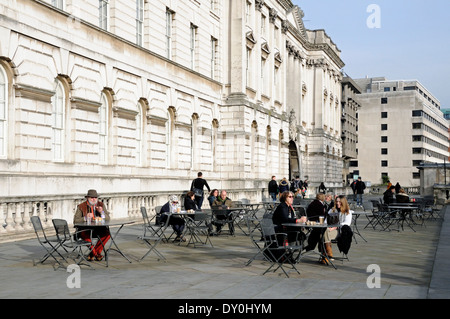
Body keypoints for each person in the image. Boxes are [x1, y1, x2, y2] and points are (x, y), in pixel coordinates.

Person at [73, 189, 111, 261]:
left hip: (98, 230)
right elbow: (75, 220)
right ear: (87, 198)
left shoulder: (101, 205)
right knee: (85, 235)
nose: (94, 199)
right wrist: (85, 218)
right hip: (85, 230)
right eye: (92, 197)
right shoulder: (81, 206)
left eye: (95, 198)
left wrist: (101, 212)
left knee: (107, 234)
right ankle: (96, 254)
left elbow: (108, 218)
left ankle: (93, 253)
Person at [323, 196, 353, 263]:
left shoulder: (348, 212)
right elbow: (325, 221)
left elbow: (347, 223)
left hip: (340, 231)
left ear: (343, 202)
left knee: (324, 234)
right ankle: (328, 253)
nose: (338, 203)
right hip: (329, 230)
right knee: (324, 232)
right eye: (337, 201)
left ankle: (325, 255)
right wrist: (329, 226)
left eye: (339, 201)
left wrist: (335, 227)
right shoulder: (332, 210)